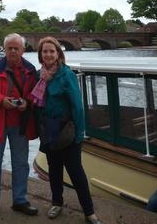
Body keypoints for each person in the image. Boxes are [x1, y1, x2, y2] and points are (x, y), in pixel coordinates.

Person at [31, 36, 103, 224]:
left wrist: (79, 135)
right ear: (41, 55)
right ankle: (57, 203)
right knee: (54, 170)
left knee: (76, 173)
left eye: (51, 51)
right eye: (44, 51)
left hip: (67, 131)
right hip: (48, 131)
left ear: (58, 54)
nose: (48, 54)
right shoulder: (39, 76)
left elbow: (77, 107)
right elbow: (38, 106)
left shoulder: (66, 75)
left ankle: (89, 212)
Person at [0, 33, 39, 218]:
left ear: (23, 50)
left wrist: (27, 103)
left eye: (16, 48)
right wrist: (1, 101)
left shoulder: (30, 71)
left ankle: (20, 201)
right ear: (4, 50)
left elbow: (36, 94)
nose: (13, 51)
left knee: (20, 164)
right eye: (9, 48)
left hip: (20, 124)